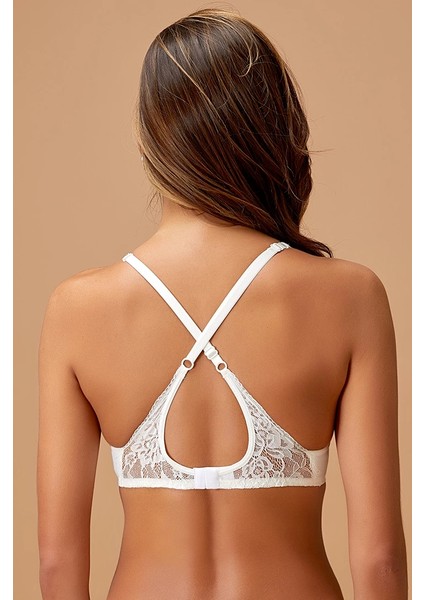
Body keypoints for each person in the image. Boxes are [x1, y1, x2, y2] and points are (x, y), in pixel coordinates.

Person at [37, 7, 408, 600]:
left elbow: (58, 567)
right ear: (276, 130)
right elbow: (380, 560)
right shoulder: (351, 297)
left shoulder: (77, 309)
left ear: (150, 141)